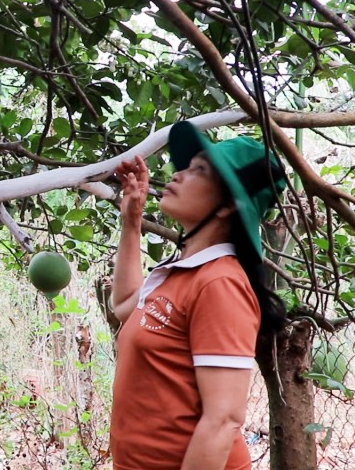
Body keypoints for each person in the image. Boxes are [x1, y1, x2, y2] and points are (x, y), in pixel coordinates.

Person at [108, 120, 288, 470]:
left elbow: (222, 421)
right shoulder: (182, 272)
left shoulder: (219, 284)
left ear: (227, 205)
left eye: (199, 171)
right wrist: (131, 222)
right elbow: (123, 306)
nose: (178, 175)